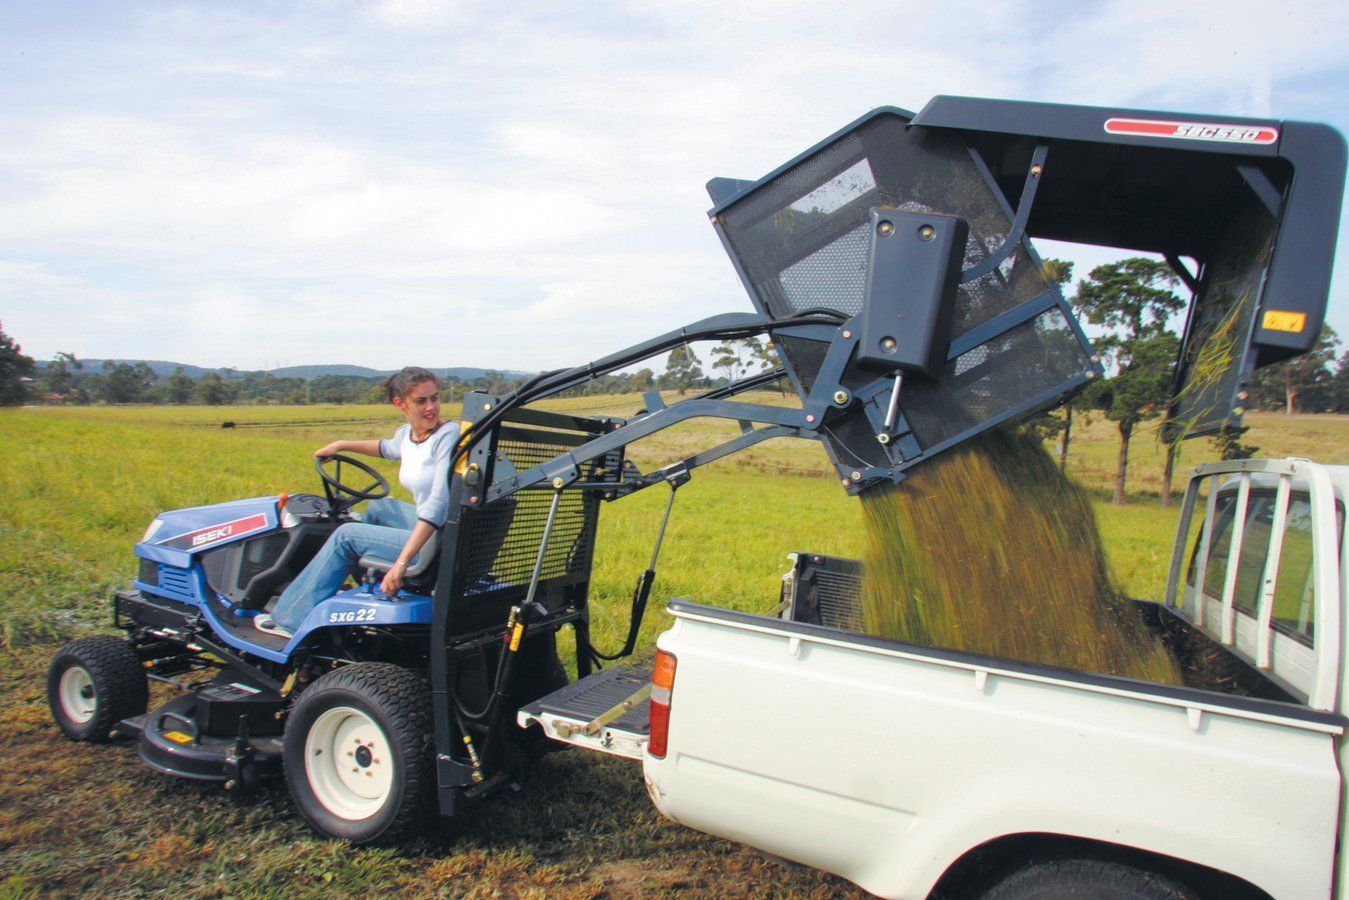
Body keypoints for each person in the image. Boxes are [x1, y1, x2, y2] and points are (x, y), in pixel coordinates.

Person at [257, 366, 459, 638]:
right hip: (434, 530)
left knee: (345, 535)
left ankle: (289, 620)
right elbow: (386, 448)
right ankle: (370, 585)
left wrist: (401, 564)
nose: (431, 407)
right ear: (400, 403)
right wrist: (341, 444)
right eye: (421, 401)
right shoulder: (409, 435)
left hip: (438, 541)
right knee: (379, 507)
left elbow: (437, 505)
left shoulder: (447, 435)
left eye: (434, 398)